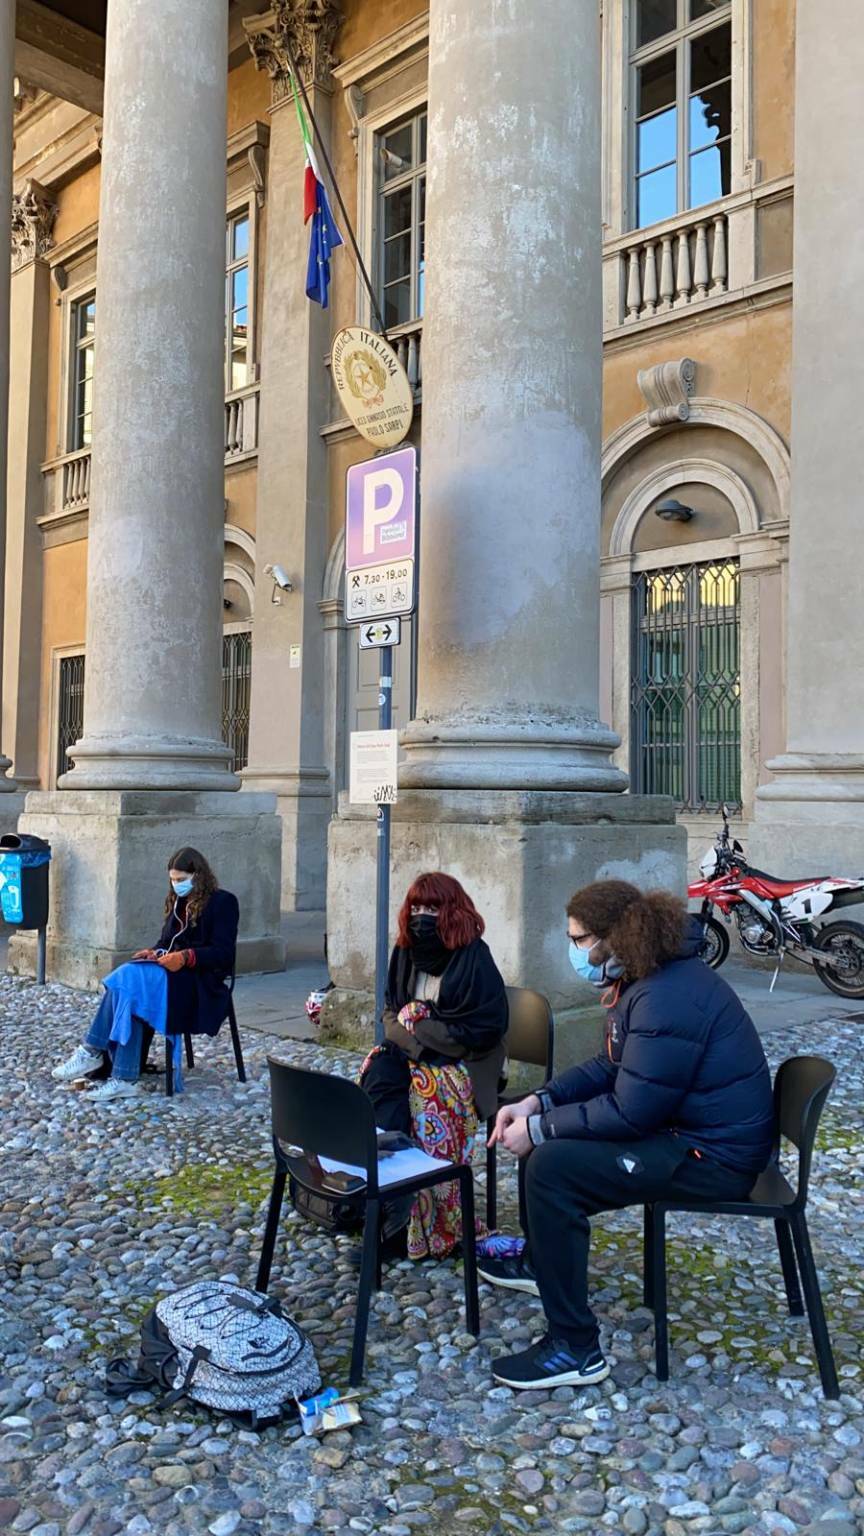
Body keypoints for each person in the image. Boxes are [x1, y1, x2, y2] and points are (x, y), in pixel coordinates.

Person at [479, 879, 774, 1390]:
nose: (575, 952)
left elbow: (632, 1112)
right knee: (546, 1143)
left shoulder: (666, 997)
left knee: (551, 1167)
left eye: (579, 940)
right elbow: (611, 1067)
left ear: (614, 938)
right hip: (688, 1132)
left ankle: (575, 1348)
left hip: (713, 1159)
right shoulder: (650, 978)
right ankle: (539, 1263)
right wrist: (538, 1102)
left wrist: (540, 1129)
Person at [360, 872, 509, 1259]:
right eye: (416, 907)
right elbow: (391, 1015)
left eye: (433, 908)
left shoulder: (474, 957)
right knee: (377, 1075)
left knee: (429, 1099)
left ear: (453, 911)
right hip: (418, 1055)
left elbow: (479, 1032)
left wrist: (422, 1023)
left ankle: (438, 1219)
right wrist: (416, 1040)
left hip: (467, 1062)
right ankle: (394, 1203)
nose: (422, 916)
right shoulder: (405, 951)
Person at [52, 848, 239, 1106]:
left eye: (182, 879)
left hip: (199, 983)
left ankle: (93, 1051)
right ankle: (123, 1078)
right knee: (130, 987)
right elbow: (166, 941)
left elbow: (223, 954)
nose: (177, 884)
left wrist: (185, 957)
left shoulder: (223, 902)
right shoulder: (177, 902)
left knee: (128, 980)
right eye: (173, 879)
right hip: (169, 977)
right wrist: (154, 952)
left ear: (198, 876)